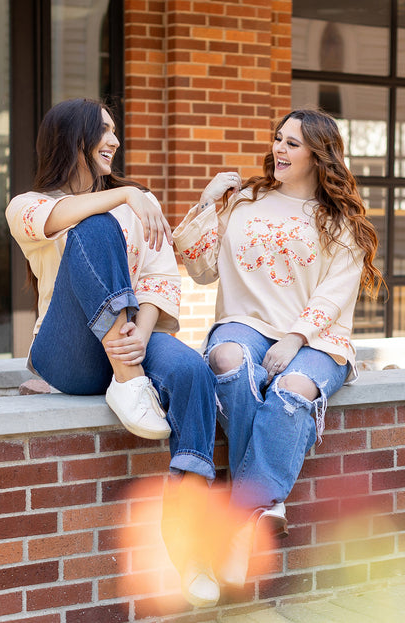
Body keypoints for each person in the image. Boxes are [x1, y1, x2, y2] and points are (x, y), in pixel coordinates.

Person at [6, 98, 220, 608]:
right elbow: (59, 217)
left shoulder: (133, 205)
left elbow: (160, 279)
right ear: (72, 137)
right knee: (95, 225)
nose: (115, 140)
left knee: (192, 371)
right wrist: (125, 194)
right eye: (103, 130)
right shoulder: (28, 203)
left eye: (116, 131)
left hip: (131, 340)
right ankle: (127, 378)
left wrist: (142, 334)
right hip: (70, 351)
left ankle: (190, 542)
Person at [173, 108, 383, 588]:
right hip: (244, 322)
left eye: (292, 143)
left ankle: (238, 519)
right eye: (278, 139)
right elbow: (200, 268)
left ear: (318, 154)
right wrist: (207, 203)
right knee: (228, 359)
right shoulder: (246, 199)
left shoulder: (340, 221)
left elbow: (335, 292)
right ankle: (264, 507)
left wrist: (295, 338)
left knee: (291, 387)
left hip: (317, 336)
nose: (279, 149)